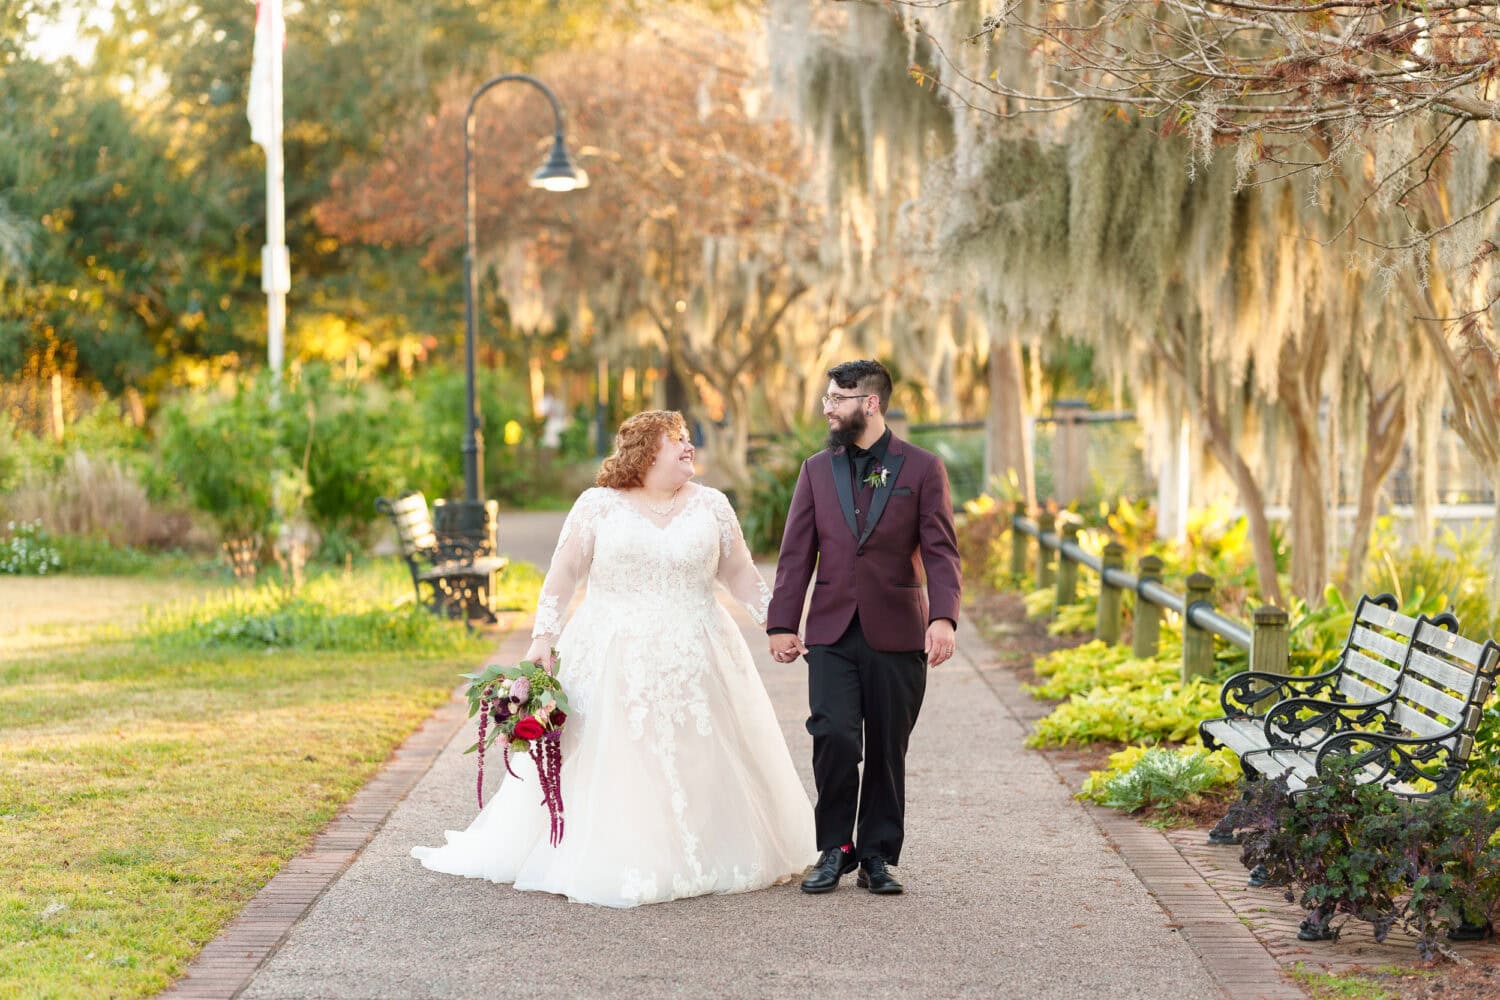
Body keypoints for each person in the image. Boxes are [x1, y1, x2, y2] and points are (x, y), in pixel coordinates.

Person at [412, 410, 816, 907]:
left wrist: (776, 624)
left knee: (702, 749)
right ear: (645, 452)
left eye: (688, 439)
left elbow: (740, 574)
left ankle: (710, 845)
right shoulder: (597, 506)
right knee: (620, 753)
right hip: (612, 652)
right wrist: (543, 637)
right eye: (676, 440)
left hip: (700, 649)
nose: (689, 447)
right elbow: (563, 575)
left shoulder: (712, 505)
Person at [766, 360, 961, 896]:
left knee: (887, 747)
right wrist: (782, 622)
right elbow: (796, 553)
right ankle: (834, 847)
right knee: (832, 734)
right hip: (831, 630)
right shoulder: (814, 470)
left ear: (870, 403)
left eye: (837, 399)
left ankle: (877, 854)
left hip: (899, 629)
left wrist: (942, 617)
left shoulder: (921, 469)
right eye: (827, 398)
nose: (827, 407)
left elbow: (941, 551)